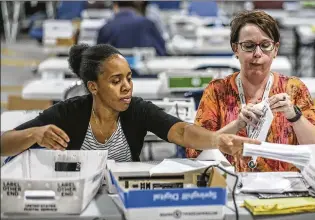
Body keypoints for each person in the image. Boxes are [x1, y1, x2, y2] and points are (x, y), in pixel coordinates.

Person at [1, 44, 260, 162]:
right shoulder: (69, 112)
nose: (126, 86)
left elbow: (181, 131)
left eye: (128, 78)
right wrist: (35, 133)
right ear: (93, 86)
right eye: (115, 81)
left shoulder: (137, 109)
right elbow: (3, 144)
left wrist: (217, 140)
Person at [186, 10, 315, 172]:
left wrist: (294, 116)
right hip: (230, 184)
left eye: (265, 45)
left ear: (275, 49)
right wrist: (237, 124)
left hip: (286, 188)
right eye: (248, 46)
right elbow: (195, 152)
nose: (257, 54)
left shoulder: (293, 89)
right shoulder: (217, 91)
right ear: (236, 49)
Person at [96, 1, 167, 56]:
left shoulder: (106, 28)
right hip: (146, 73)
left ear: (115, 6)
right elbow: (162, 51)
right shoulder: (148, 24)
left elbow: (98, 57)